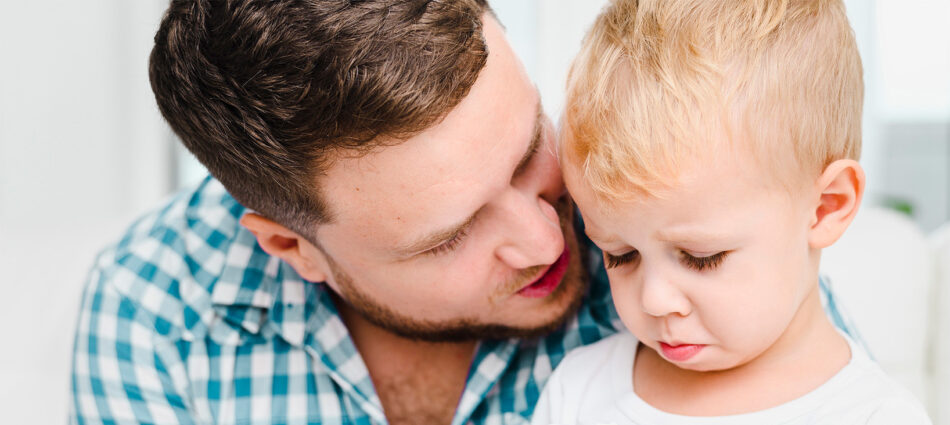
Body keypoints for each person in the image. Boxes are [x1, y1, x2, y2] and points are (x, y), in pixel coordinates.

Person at [69, 1, 852, 424]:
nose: (547, 238)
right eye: (449, 237)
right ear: (290, 245)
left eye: (527, 150)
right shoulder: (155, 314)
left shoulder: (659, 235)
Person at [531, 0, 931, 424]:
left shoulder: (877, 415)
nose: (654, 300)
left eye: (701, 258)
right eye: (620, 255)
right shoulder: (577, 390)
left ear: (825, 207)